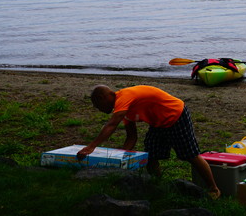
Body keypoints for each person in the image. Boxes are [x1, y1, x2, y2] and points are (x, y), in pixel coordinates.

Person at [77, 84, 221, 199]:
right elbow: (131, 137)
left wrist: (91, 147)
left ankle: (214, 189)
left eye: (97, 106)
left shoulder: (124, 97)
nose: (99, 109)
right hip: (158, 123)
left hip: (176, 115)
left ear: (103, 97)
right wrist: (120, 158)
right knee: (150, 155)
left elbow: (111, 125)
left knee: (190, 155)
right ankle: (157, 185)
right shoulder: (124, 108)